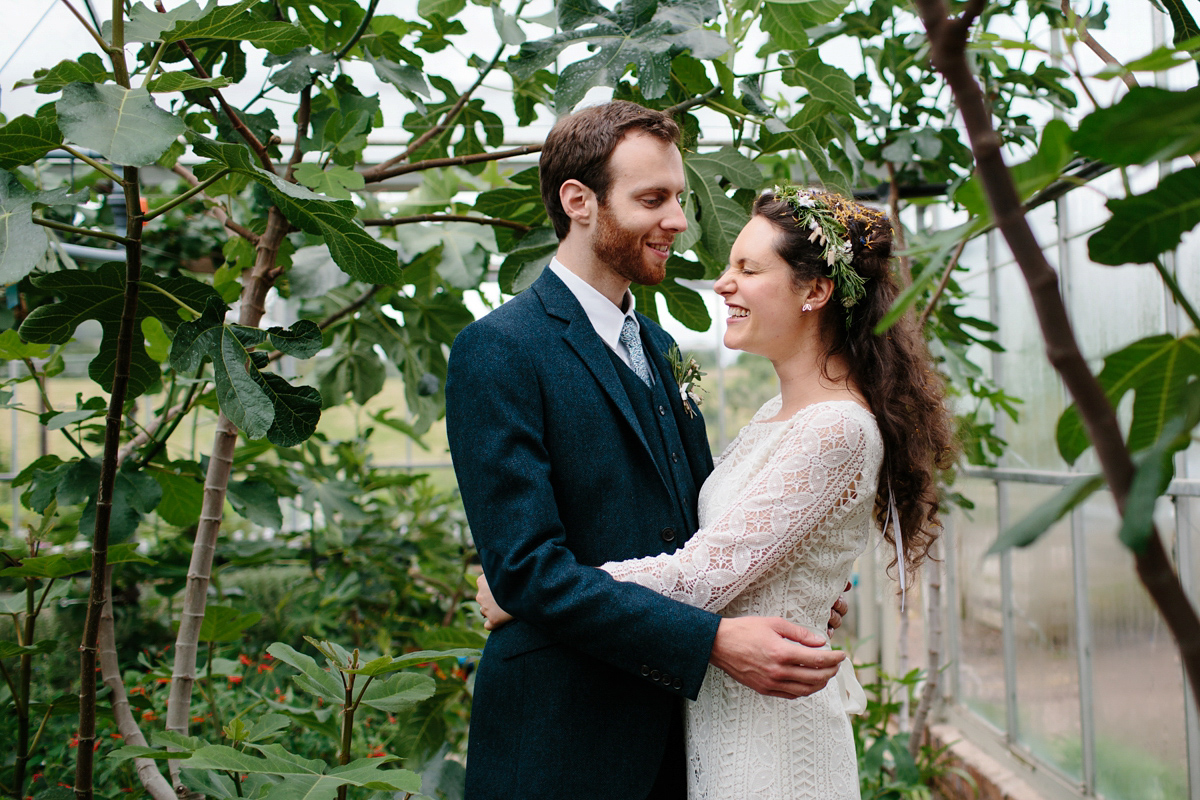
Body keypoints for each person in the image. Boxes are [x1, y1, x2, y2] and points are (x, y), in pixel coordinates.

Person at [477, 186, 955, 798]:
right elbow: (729, 544)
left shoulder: (836, 428)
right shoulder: (772, 414)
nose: (723, 284)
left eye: (748, 268)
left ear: (816, 291)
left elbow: (702, 573)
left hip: (773, 747)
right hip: (717, 726)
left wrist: (529, 591)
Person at [444, 102, 848, 800]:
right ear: (579, 202)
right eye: (652, 199)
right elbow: (526, 570)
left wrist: (783, 573)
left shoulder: (659, 348)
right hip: (560, 739)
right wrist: (711, 641)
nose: (680, 221)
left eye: (679, 198)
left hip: (677, 740)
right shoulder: (500, 350)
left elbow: (695, 527)